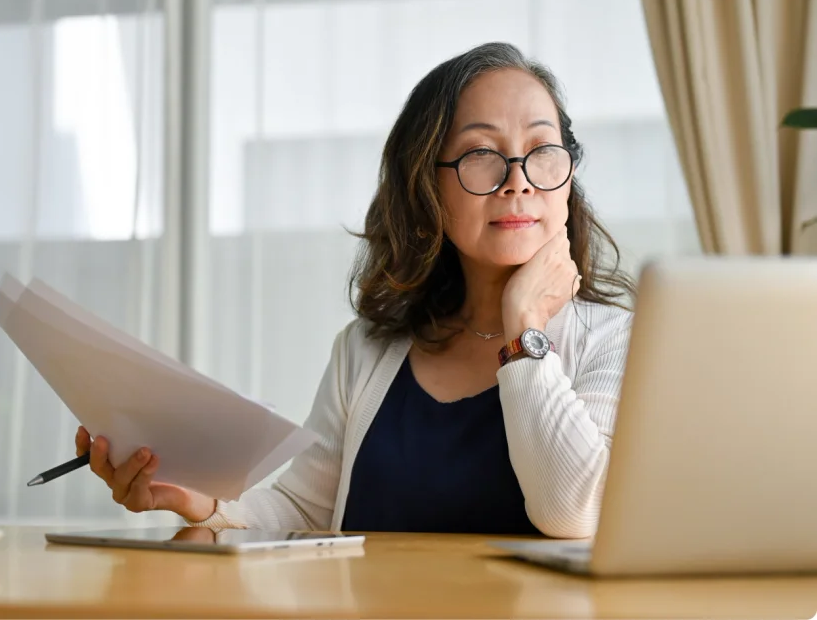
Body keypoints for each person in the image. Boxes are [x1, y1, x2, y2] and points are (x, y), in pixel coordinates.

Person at [74, 42, 636, 539]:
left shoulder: (615, 340)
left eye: (542, 150)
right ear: (428, 187)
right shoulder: (365, 350)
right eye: (481, 155)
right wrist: (204, 504)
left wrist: (525, 330)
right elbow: (302, 509)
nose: (518, 178)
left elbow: (573, 513)